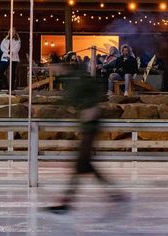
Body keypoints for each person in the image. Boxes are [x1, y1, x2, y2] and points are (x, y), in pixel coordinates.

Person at [48, 60, 119, 213]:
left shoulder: (79, 77)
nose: (52, 70)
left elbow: (98, 90)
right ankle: (114, 194)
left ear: (62, 65)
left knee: (80, 163)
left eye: (54, 67)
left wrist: (93, 107)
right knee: (86, 165)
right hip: (85, 125)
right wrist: (54, 115)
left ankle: (66, 202)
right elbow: (67, 101)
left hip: (91, 125)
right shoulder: (68, 80)